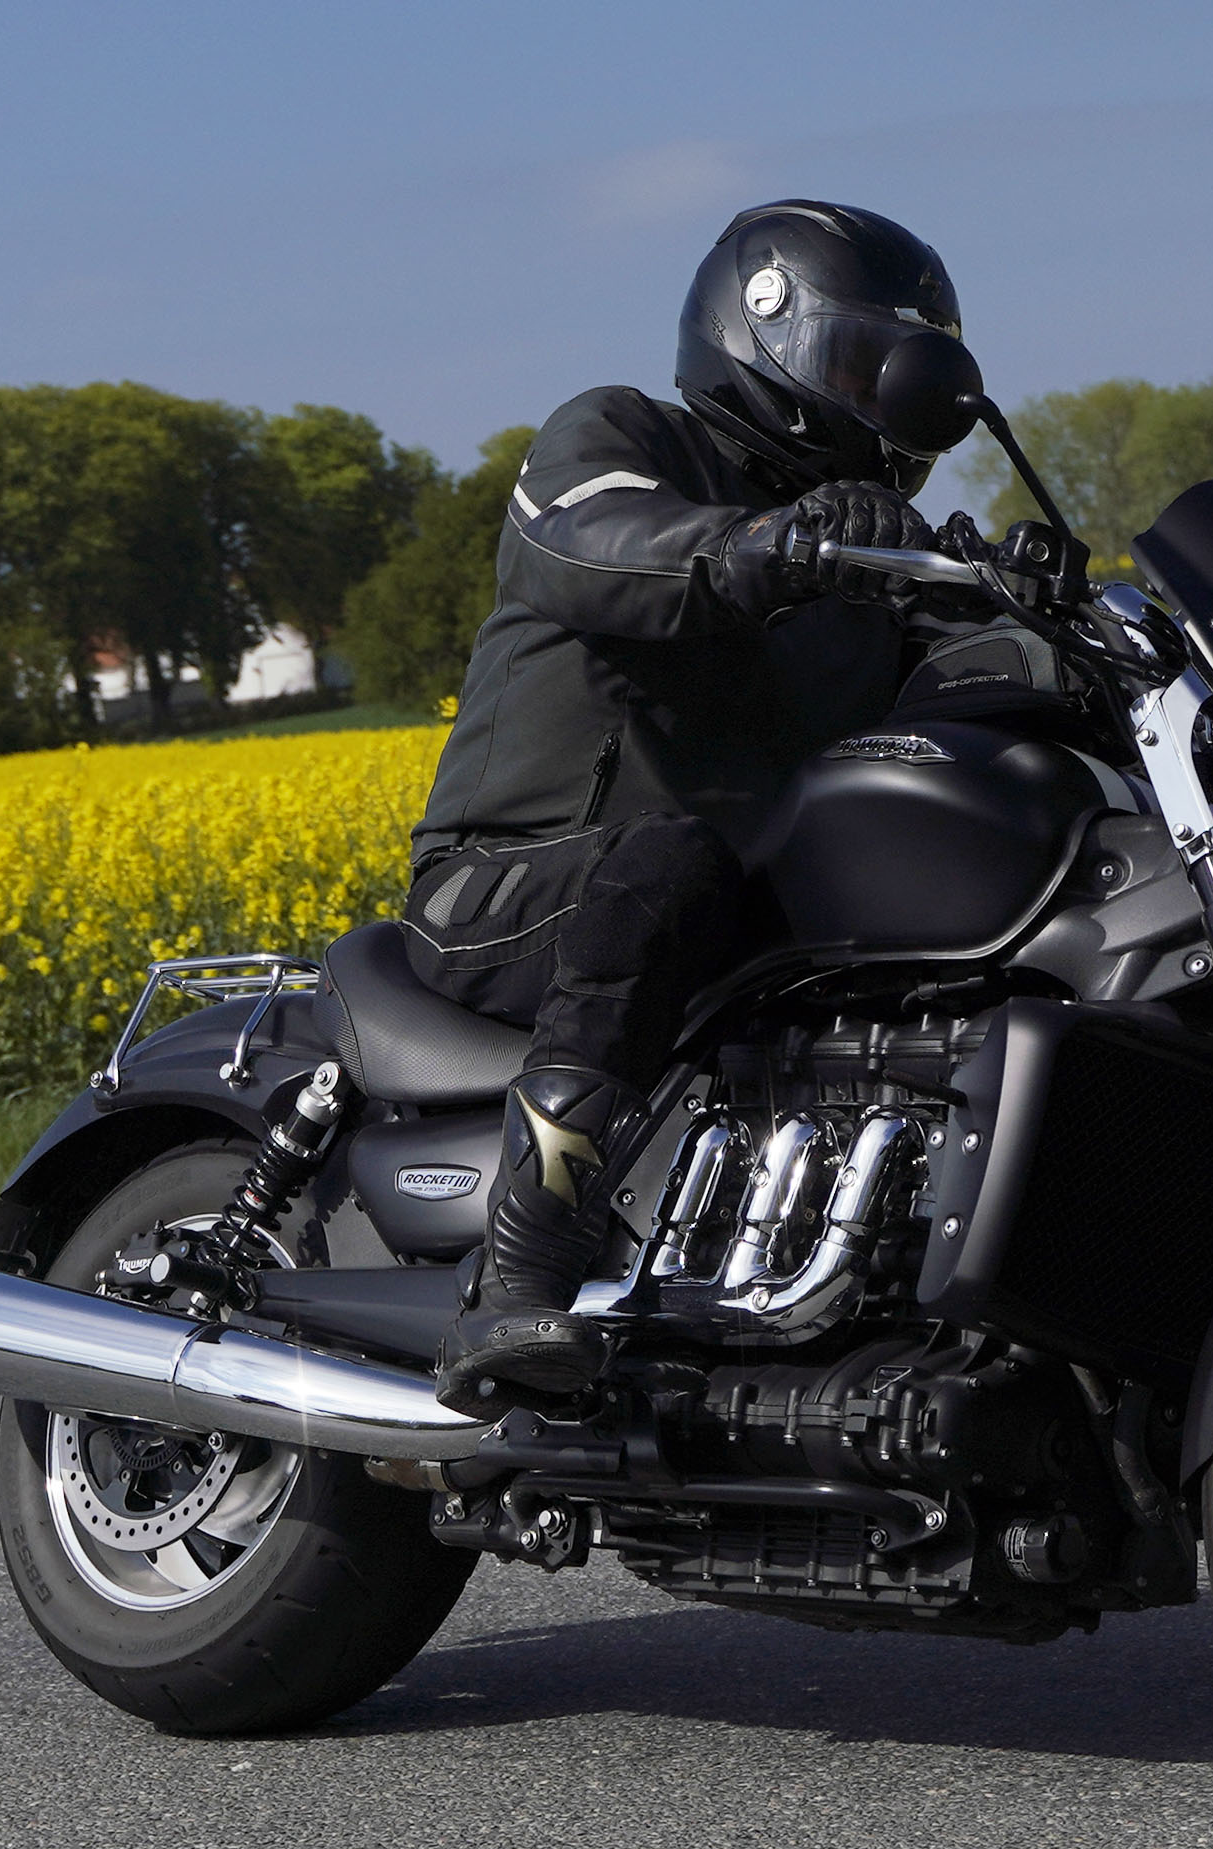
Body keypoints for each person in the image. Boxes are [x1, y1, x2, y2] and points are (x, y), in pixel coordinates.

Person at [405, 199, 963, 1409]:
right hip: (509, 880)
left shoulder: (878, 564)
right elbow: (599, 540)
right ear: (754, 334)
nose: (876, 400)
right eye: (853, 364)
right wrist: (767, 544)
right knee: (668, 864)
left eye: (898, 375)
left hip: (721, 904)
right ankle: (520, 1279)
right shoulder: (618, 436)